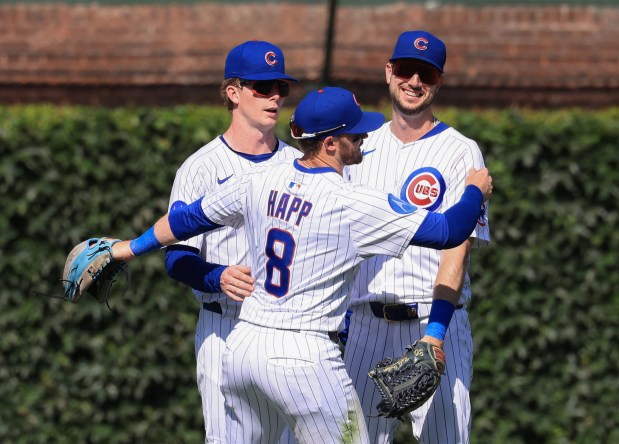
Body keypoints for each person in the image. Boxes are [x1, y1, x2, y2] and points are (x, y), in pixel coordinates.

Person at [107, 86, 492, 443]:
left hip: (244, 348)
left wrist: (125, 249)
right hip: (304, 357)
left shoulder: (259, 178)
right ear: (329, 143)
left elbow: (186, 219)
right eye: (354, 133)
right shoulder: (351, 202)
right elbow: (449, 230)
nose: (363, 137)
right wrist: (475, 189)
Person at [343, 30, 491, 444]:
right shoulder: (360, 146)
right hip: (365, 325)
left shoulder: (462, 151)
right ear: (389, 72)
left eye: (426, 73)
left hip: (433, 321)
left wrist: (436, 335)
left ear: (438, 81)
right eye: (406, 69)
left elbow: (458, 248)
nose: (414, 81)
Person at [164, 40, 300, 442]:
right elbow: (176, 258)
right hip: (225, 328)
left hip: (287, 332)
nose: (274, 96)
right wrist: (216, 276)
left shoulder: (298, 165)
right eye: (262, 87)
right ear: (233, 92)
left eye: (280, 87)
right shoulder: (200, 167)